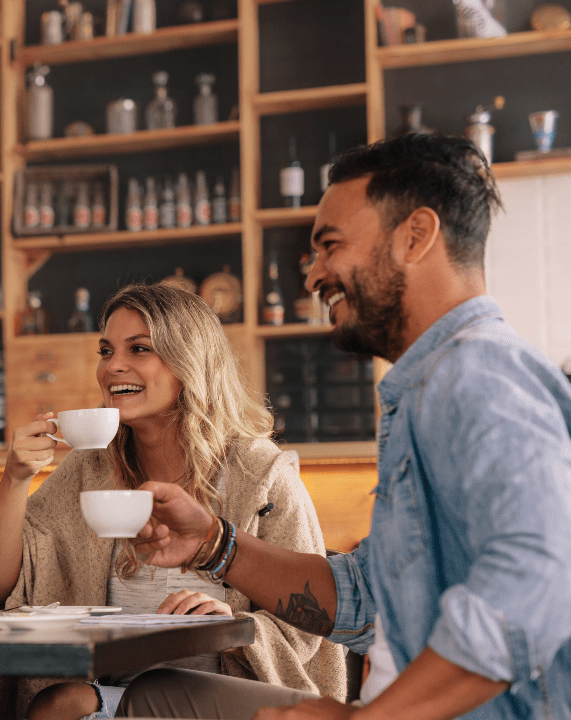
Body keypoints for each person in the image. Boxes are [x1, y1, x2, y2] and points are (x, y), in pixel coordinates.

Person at [129, 132, 571, 720]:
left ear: (416, 236)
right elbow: (367, 599)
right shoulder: (429, 385)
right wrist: (213, 543)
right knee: (155, 697)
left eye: (329, 246)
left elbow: (540, 574)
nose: (313, 276)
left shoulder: (475, 374)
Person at [0, 283, 346, 720]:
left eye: (139, 349)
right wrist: (15, 477)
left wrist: (235, 625)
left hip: (229, 702)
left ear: (189, 362)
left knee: (62, 705)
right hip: (113, 699)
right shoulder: (90, 469)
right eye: (106, 351)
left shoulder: (261, 475)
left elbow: (310, 618)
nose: (113, 367)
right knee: (61, 702)